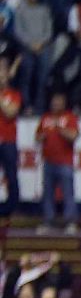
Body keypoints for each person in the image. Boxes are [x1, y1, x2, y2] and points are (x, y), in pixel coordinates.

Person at [37, 92, 80, 231]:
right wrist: (41, 136)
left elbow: (73, 136)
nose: (55, 104)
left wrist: (60, 129)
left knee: (68, 194)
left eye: (59, 102)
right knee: (48, 194)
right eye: (54, 101)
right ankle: (48, 222)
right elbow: (37, 136)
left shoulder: (70, 117)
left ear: (64, 103)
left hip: (65, 163)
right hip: (48, 162)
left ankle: (70, 223)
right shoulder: (45, 118)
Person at [0, 60, 21, 216]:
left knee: (11, 175)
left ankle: (11, 207)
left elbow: (10, 113)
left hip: (7, 141)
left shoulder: (14, 94)